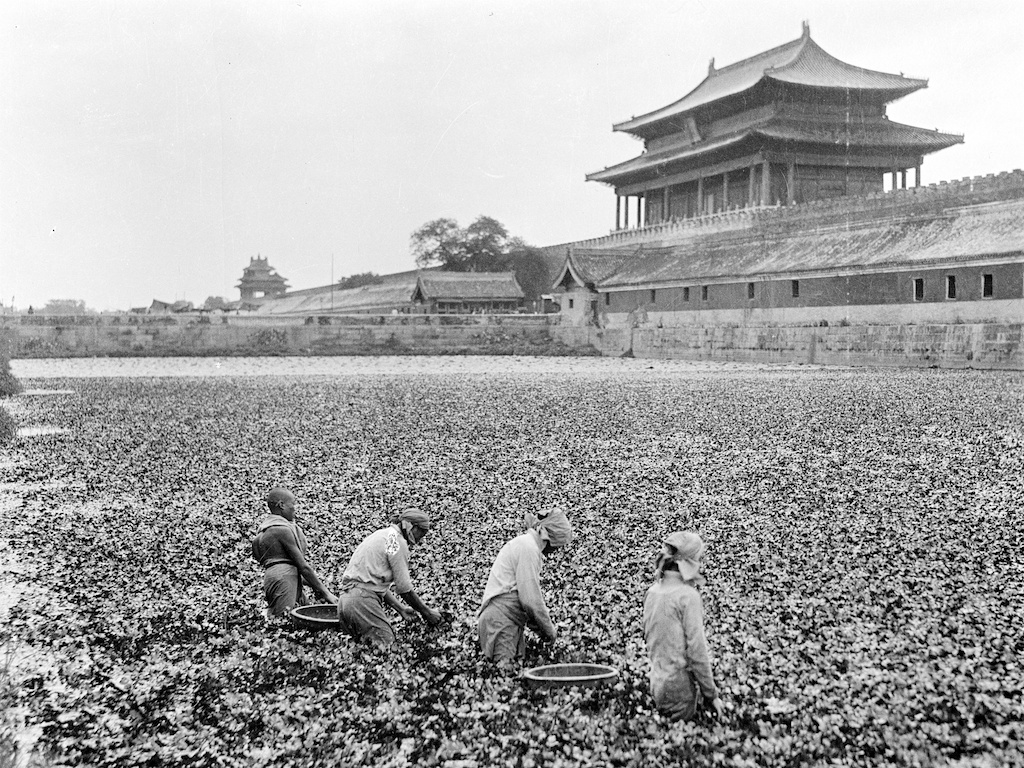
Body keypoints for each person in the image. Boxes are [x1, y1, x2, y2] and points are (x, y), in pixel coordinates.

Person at [643, 531, 725, 722]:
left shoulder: (653, 591)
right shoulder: (687, 596)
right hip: (679, 690)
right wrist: (711, 695)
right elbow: (697, 652)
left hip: (656, 684)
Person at [477, 508, 574, 663]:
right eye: (558, 544)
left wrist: (542, 630)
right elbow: (530, 600)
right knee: (504, 677)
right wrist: (549, 631)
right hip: (502, 620)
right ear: (551, 537)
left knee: (512, 674)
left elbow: (527, 602)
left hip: (508, 620)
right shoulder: (528, 547)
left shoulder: (526, 545)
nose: (556, 550)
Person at [337, 508, 443, 648]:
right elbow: (404, 588)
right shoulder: (397, 542)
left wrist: (401, 609)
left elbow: (374, 585)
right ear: (412, 526)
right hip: (362, 603)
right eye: (421, 534)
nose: (419, 540)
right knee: (387, 649)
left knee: (361, 653)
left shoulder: (382, 535)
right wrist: (426, 612)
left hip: (345, 602)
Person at [251, 487, 338, 618]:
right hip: (284, 580)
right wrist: (325, 592)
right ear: (281, 505)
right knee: (284, 620)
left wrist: (314, 586)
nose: (295, 508)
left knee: (303, 614)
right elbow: (302, 566)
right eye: (293, 504)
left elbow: (279, 565)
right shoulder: (281, 530)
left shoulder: (261, 534)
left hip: (275, 579)